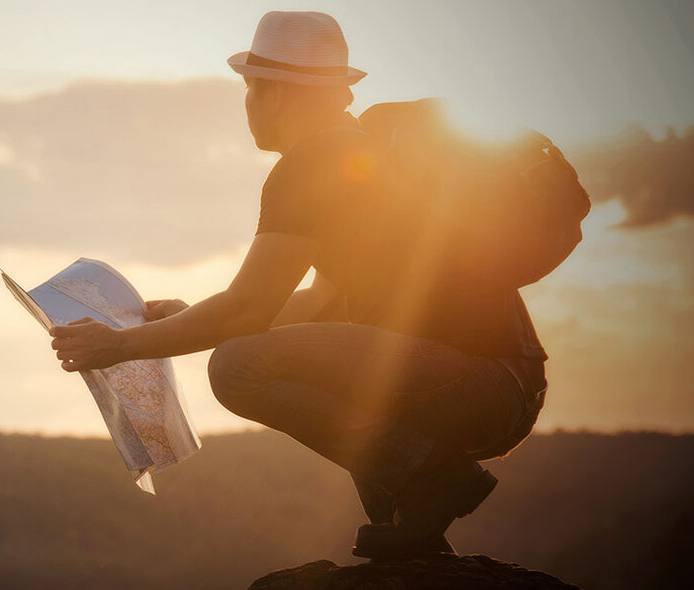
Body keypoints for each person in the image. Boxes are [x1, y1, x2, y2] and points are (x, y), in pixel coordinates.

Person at [48, 11, 549, 560]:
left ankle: (432, 478)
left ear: (277, 95)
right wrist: (190, 315)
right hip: (501, 385)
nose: (247, 105)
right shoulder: (360, 154)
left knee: (238, 365)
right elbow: (315, 302)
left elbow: (245, 316)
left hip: (478, 383)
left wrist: (117, 346)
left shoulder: (313, 166)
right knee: (312, 350)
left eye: (249, 89)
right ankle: (418, 525)